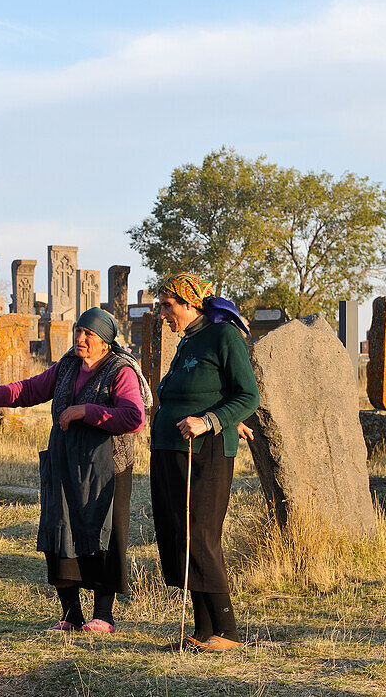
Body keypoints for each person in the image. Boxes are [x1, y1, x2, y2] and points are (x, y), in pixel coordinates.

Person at [0, 307, 149, 633]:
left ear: (105, 341)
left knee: (103, 536)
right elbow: (28, 389)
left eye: (87, 334)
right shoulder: (67, 366)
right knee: (60, 531)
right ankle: (70, 614)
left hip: (107, 469)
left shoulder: (120, 371)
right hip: (64, 463)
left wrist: (84, 411)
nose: (80, 338)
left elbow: (133, 417)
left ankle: (103, 615)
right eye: (78, 331)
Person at [150, 272, 259, 652]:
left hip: (205, 453)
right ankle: (203, 629)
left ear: (191, 302)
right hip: (169, 450)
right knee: (179, 535)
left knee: (201, 535)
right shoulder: (189, 340)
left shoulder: (223, 335)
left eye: (168, 305)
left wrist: (210, 420)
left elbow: (248, 396)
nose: (162, 313)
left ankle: (227, 631)